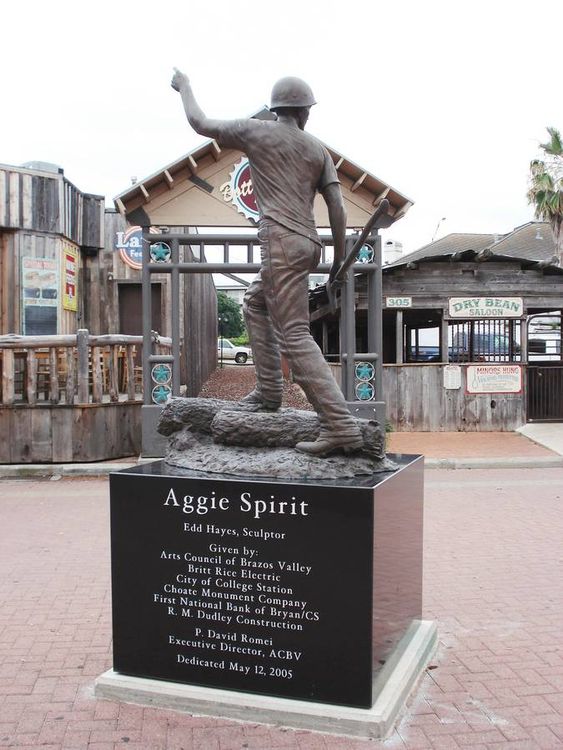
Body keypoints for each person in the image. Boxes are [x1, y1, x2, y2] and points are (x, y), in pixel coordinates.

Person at [171, 69, 363, 457]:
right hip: (309, 244)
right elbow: (338, 207)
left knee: (293, 333)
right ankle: (270, 391)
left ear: (276, 108)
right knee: (255, 302)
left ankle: (341, 426)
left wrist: (185, 86)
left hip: (280, 242)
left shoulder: (256, 131)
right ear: (304, 111)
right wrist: (340, 257)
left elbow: (199, 122)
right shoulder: (317, 149)